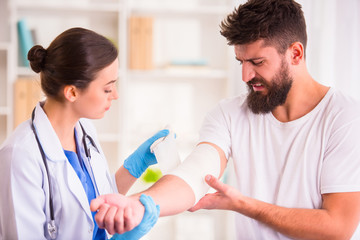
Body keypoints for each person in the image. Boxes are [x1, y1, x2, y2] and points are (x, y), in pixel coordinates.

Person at [90, 0, 360, 239]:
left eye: (257, 62)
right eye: (240, 61)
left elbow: (337, 228)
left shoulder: (344, 118)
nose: (245, 76)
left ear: (295, 54)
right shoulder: (229, 113)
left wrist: (243, 205)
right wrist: (137, 204)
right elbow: (195, 173)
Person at [0, 27, 169, 240]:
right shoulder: (20, 156)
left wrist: (135, 166)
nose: (115, 95)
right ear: (72, 92)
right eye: (107, 89)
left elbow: (94, 200)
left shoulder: (84, 130)